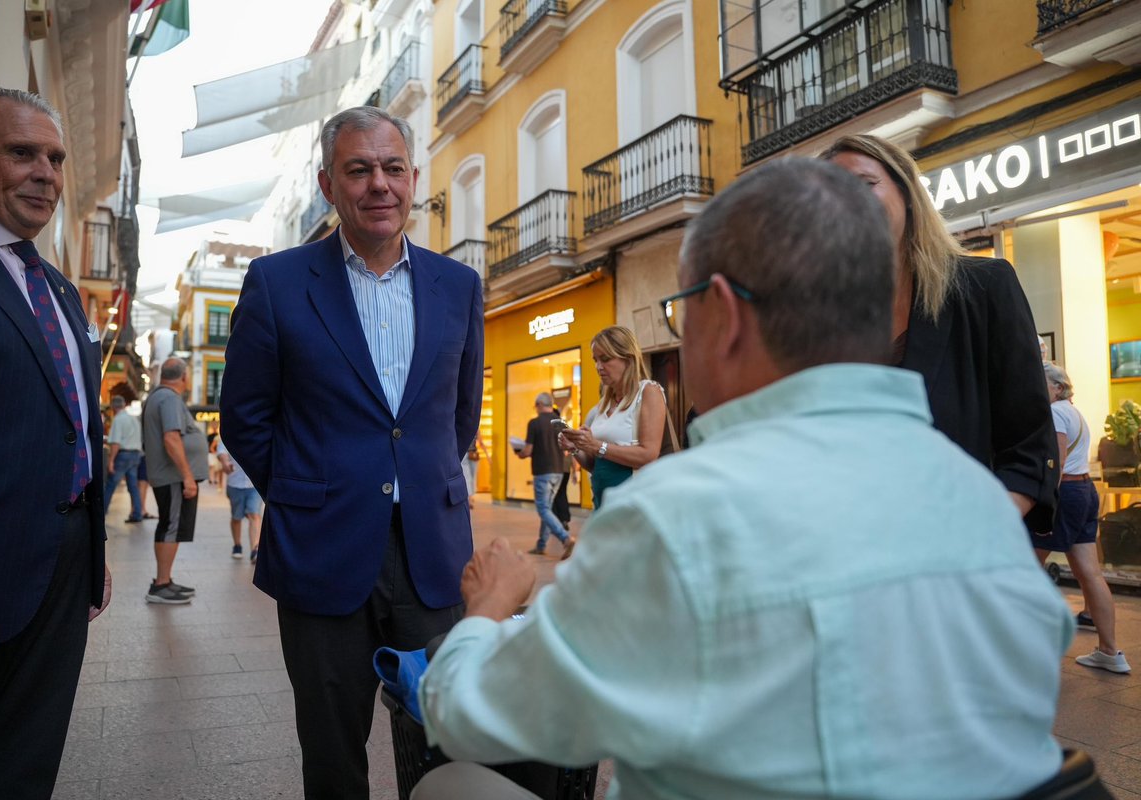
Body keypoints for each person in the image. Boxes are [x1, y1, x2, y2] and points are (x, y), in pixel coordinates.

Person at [416, 158, 1073, 800]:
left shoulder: (680, 517)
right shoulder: (981, 503)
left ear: (724, 314)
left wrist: (488, 607)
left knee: (448, 782)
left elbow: (464, 715)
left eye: (683, 308)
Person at [220, 105, 483, 800]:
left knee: (447, 741)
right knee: (333, 748)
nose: (379, 185)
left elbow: (459, 417)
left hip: (432, 551)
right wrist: (312, 491)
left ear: (413, 179)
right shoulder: (277, 283)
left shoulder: (458, 287)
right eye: (358, 169)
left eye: (393, 168)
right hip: (321, 548)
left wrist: (417, 483)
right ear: (327, 185)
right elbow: (245, 416)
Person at [0, 85, 110, 798]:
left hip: (60, 573)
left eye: (56, 158)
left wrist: (92, 546)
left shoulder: (59, 290)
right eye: (22, 153)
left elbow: (71, 423)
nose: (46, 173)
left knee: (23, 768)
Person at [822, 134, 1058, 534]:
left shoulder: (982, 288)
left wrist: (983, 526)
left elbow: (1029, 443)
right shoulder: (819, 317)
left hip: (959, 555)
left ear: (908, 196)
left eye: (864, 184)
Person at [1034, 363, 1130, 673]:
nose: (1037, 386)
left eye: (1043, 382)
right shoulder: (1073, 411)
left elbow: (1057, 463)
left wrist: (1044, 502)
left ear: (1058, 387)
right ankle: (1110, 651)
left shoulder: (1056, 413)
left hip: (1066, 495)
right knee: (1090, 573)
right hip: (1086, 491)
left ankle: (1030, 649)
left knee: (1026, 567)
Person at [559, 326, 666, 509]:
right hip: (603, 503)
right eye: (595, 360)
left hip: (633, 503)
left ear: (628, 358)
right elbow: (595, 465)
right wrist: (576, 448)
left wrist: (596, 445)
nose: (598, 367)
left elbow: (649, 454)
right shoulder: (604, 404)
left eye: (606, 359)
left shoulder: (648, 391)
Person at [141, 357, 208, 605]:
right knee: (170, 527)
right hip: (173, 477)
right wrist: (188, 477)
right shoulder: (169, 399)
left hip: (169, 476)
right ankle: (161, 585)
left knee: (169, 526)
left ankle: (165, 580)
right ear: (183, 377)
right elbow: (171, 439)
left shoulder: (159, 397)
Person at [515, 392, 575, 558]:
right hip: (559, 471)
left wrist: (519, 453)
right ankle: (541, 545)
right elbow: (567, 448)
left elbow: (528, 450)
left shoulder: (534, 423)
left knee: (543, 509)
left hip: (543, 471)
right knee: (547, 508)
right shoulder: (560, 422)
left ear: (540, 404)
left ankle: (566, 538)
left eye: (536, 406)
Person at [216, 438, 262, 565]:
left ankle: (255, 548)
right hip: (235, 483)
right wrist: (225, 463)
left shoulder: (257, 432)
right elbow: (222, 450)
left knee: (254, 514)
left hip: (255, 484)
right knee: (236, 517)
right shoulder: (231, 430)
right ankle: (237, 545)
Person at [104, 395, 145, 523]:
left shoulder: (118, 419)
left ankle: (101, 512)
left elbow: (115, 443)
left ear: (113, 407)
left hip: (123, 455)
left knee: (111, 484)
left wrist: (111, 461)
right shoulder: (134, 419)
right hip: (135, 454)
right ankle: (137, 513)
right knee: (133, 486)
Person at [461, 431, 487, 510]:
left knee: (471, 476)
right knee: (469, 476)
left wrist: (488, 457)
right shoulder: (474, 426)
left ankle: (470, 496)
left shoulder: (475, 428)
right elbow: (481, 443)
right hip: (468, 454)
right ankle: (469, 499)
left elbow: (481, 442)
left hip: (471, 454)